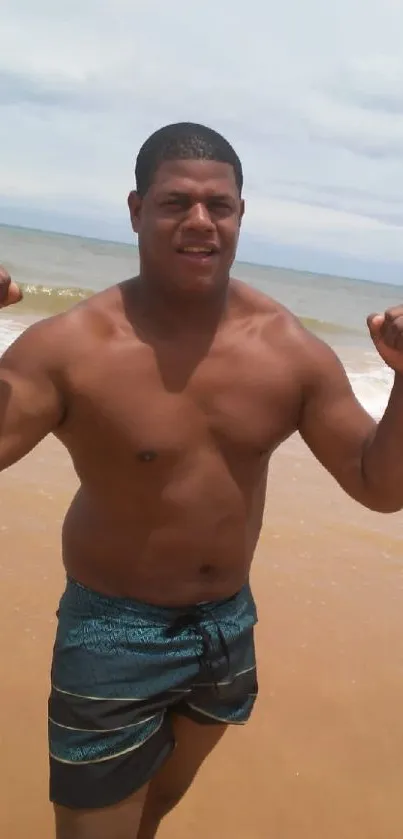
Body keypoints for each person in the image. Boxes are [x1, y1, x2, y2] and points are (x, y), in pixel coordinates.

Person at [1, 122, 403, 839]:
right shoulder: (71, 347)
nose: (199, 221)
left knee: (155, 806)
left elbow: (378, 485)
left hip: (227, 629)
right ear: (134, 210)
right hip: (112, 633)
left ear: (241, 214)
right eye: (174, 202)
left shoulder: (285, 349)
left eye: (218, 204)